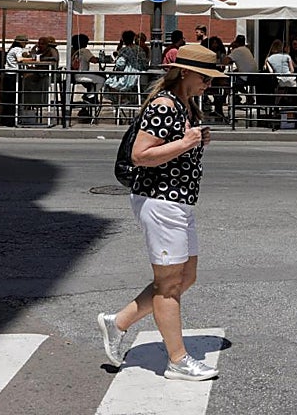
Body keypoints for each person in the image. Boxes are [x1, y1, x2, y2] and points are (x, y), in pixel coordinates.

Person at [96, 44, 225, 380]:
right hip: (161, 199)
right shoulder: (165, 105)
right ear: (184, 72)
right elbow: (141, 154)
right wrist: (186, 143)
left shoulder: (184, 105)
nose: (208, 84)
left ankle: (118, 322)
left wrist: (193, 140)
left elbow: (171, 146)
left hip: (177, 200)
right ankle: (178, 360)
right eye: (204, 77)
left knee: (185, 278)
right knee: (169, 287)